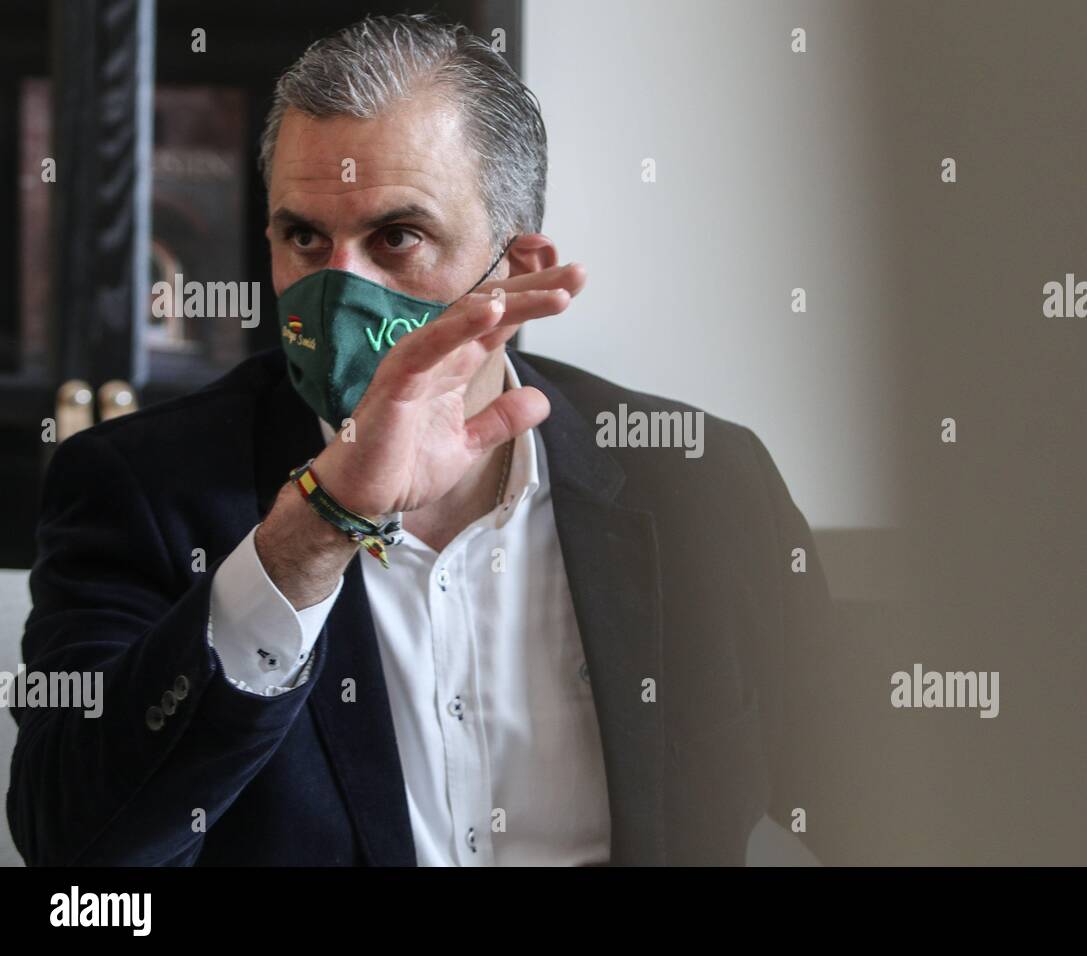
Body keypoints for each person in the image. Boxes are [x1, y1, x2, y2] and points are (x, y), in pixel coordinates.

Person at [8, 14, 836, 866]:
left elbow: (866, 801)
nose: (339, 291)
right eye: (305, 239)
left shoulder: (703, 482)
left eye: (396, 237)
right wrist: (314, 532)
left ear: (518, 269)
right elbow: (76, 851)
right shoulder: (140, 486)